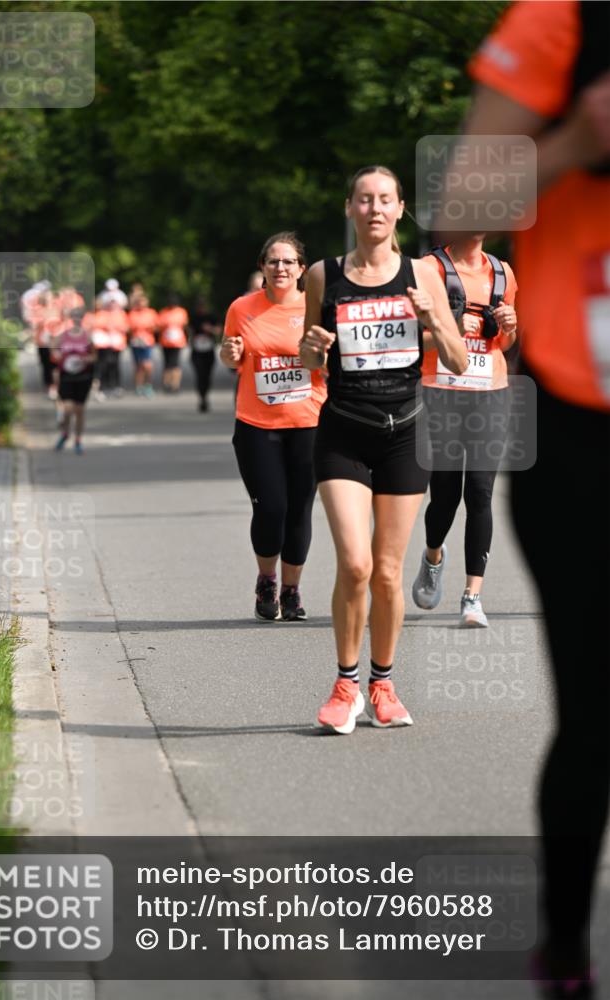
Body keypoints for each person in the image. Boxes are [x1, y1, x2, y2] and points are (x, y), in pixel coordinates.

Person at [454, 3, 609, 996]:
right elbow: (457, 211)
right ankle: (563, 944)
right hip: (583, 427)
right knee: (596, 710)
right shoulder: (564, 19)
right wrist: (574, 141)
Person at [300, 165, 467, 734]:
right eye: (364, 199)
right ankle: (345, 685)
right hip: (343, 430)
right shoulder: (323, 276)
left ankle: (382, 683)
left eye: (385, 200)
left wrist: (431, 321)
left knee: (389, 574)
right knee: (355, 563)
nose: (374, 208)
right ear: (349, 208)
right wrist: (313, 346)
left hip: (405, 433)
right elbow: (310, 361)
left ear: (399, 211)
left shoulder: (423, 273)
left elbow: (459, 361)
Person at [411, 234, 518, 627]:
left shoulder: (503, 273)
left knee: (480, 490)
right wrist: (452, 327)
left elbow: (505, 343)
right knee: (445, 497)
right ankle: (433, 556)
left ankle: (472, 597)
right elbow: (409, 340)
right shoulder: (428, 269)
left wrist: (508, 324)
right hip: (442, 393)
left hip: (490, 394)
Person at [220, 232, 327, 623]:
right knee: (271, 507)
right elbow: (231, 354)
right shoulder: (241, 307)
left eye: (288, 262)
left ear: (301, 269)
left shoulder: (317, 307)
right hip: (256, 424)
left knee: (300, 509)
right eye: (273, 262)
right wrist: (229, 354)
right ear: (262, 268)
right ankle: (267, 579)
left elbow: (330, 364)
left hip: (309, 423)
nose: (280, 268)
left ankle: (291, 590)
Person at [51, 307, 96, 454]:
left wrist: (86, 359)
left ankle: (78, 440)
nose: (76, 320)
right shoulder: (62, 336)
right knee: (68, 408)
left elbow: (94, 356)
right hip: (67, 376)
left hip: (83, 377)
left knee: (80, 410)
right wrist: (57, 354)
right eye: (74, 317)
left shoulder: (87, 337)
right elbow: (53, 350)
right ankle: (65, 433)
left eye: (79, 317)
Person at [189, 297, 221, 412]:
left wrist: (210, 329)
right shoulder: (193, 317)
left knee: (207, 376)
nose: (201, 309)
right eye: (199, 306)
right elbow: (189, 330)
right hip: (197, 350)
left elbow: (218, 330)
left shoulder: (211, 316)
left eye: (203, 306)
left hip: (208, 350)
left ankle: (205, 396)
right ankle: (202, 398)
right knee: (199, 375)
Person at [127, 294, 159, 397]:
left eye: (143, 302)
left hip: (147, 342)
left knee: (147, 365)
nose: (141, 304)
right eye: (139, 302)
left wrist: (150, 328)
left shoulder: (151, 313)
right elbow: (128, 328)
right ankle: (138, 386)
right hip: (136, 342)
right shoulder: (132, 313)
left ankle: (148, 385)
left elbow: (157, 328)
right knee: (138, 366)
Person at [158, 294, 189, 393]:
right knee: (167, 363)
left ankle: (175, 385)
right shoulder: (163, 312)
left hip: (177, 342)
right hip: (165, 341)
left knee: (175, 363)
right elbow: (159, 325)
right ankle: (166, 384)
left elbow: (184, 324)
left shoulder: (181, 312)